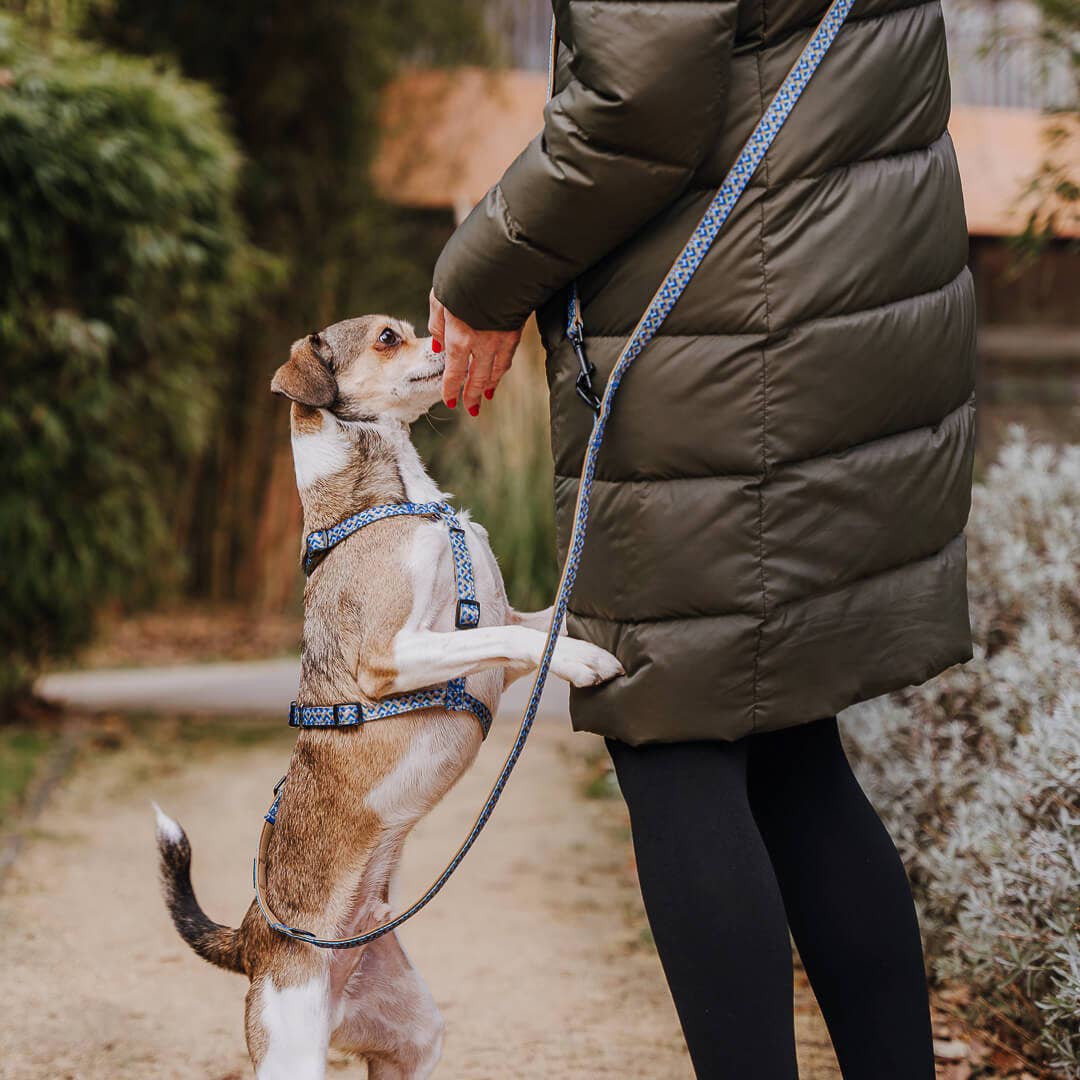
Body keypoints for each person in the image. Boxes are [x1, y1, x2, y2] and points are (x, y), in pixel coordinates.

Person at [429, 0, 975, 1075]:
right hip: (840, 292)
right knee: (786, 747)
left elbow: (638, 103)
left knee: (670, 726)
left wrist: (482, 271)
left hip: (728, 336)